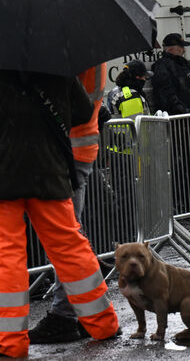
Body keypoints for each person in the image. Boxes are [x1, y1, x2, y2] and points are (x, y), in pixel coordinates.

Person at [0, 70, 120, 356]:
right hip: (50, 171)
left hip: (4, 174)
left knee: (7, 254)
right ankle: (103, 324)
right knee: (69, 246)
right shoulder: (54, 67)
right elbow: (81, 111)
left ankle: (11, 342)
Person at [26, 64, 107, 344]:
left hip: (64, 152)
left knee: (65, 240)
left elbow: (69, 105)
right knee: (70, 237)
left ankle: (66, 314)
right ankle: (84, 313)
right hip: (74, 150)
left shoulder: (64, 54)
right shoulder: (81, 45)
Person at [150, 32, 190, 115]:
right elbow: (168, 96)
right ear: (171, 49)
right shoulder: (162, 67)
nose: (184, 50)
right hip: (175, 120)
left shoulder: (186, 65)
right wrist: (185, 112)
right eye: (181, 47)